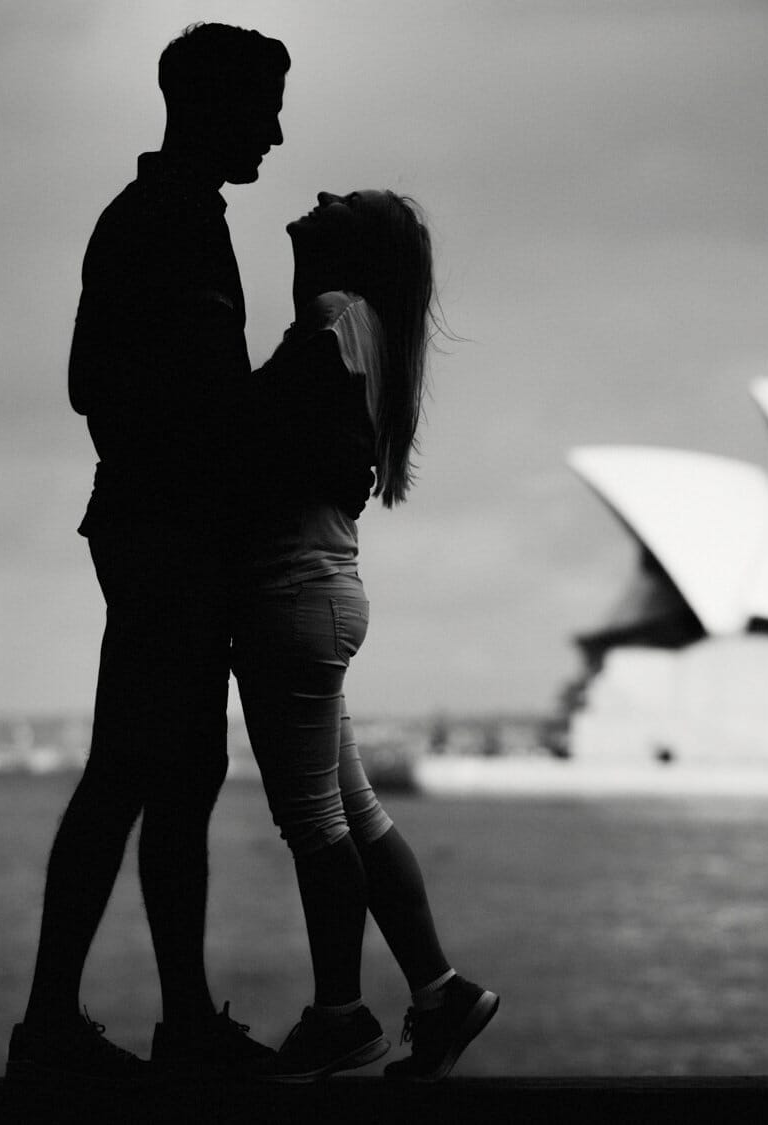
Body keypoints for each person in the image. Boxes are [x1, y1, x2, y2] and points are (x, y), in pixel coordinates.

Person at [7, 24, 366, 1085]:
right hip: (166, 535)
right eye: (264, 106)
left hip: (158, 528)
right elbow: (149, 394)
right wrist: (287, 391)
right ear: (209, 104)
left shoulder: (162, 216)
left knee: (175, 771)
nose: (277, 130)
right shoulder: (163, 221)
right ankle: (63, 1027)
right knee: (135, 770)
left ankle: (156, 1021)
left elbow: (98, 379)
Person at [229, 189, 499, 1082]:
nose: (317, 197)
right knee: (355, 812)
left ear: (354, 247)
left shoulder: (335, 320)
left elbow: (291, 440)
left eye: (338, 202)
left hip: (291, 594)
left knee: (314, 822)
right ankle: (440, 992)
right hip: (324, 590)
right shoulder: (364, 326)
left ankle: (340, 1014)